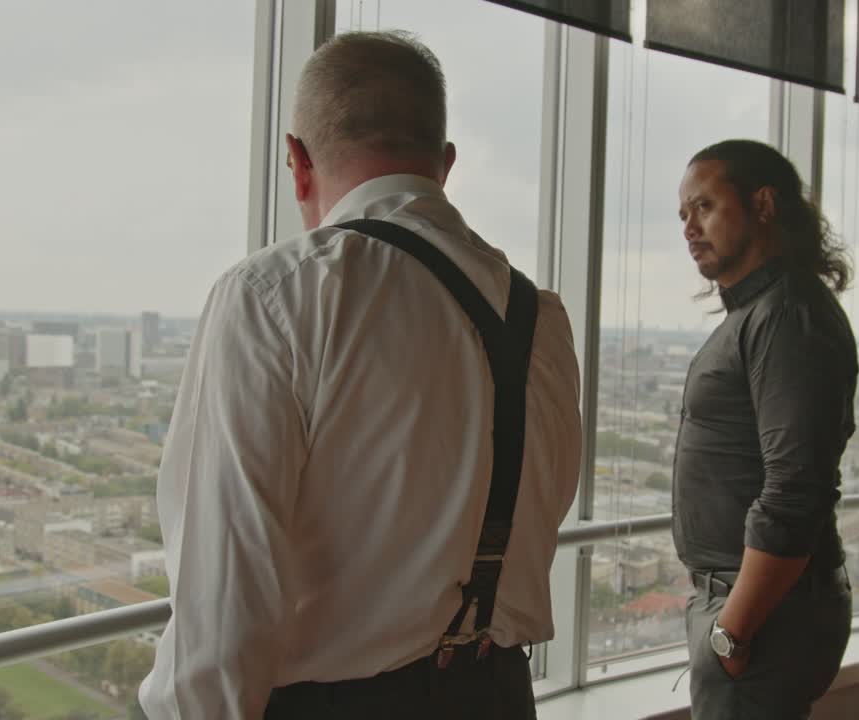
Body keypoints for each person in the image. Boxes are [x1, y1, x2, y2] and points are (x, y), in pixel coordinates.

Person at [138, 31, 581, 720]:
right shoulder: (540, 316)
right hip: (499, 698)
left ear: (297, 163)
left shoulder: (275, 296)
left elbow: (220, 622)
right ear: (445, 164)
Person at [672, 139, 857, 719]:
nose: (689, 228)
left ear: (763, 205)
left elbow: (796, 489)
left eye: (704, 207)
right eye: (684, 214)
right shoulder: (765, 311)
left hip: (762, 616)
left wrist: (732, 633)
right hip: (755, 610)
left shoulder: (785, 316)